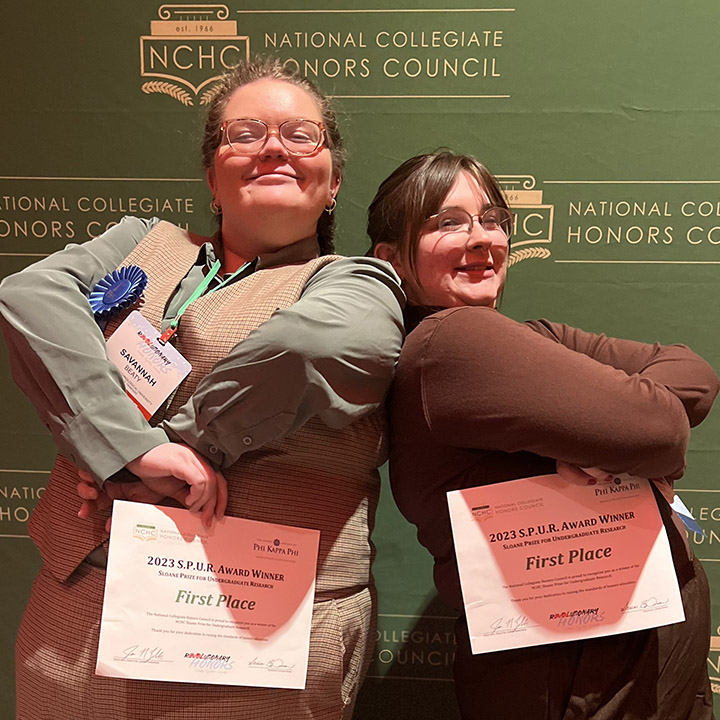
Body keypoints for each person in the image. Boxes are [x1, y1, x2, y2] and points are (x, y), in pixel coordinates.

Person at [0, 58, 404, 719]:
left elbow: (315, 346)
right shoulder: (142, 242)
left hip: (252, 638)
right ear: (213, 177)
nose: (273, 145)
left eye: (301, 134)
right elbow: (29, 296)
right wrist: (129, 448)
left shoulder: (355, 284)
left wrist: (155, 461)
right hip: (77, 622)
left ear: (333, 183)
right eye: (245, 133)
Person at [368, 150, 718, 720]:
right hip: (577, 677)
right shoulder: (452, 342)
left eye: (492, 219)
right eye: (448, 221)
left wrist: (602, 441)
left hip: (612, 662)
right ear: (391, 258)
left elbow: (692, 372)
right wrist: (616, 436)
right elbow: (660, 430)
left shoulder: (531, 338)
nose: (482, 238)